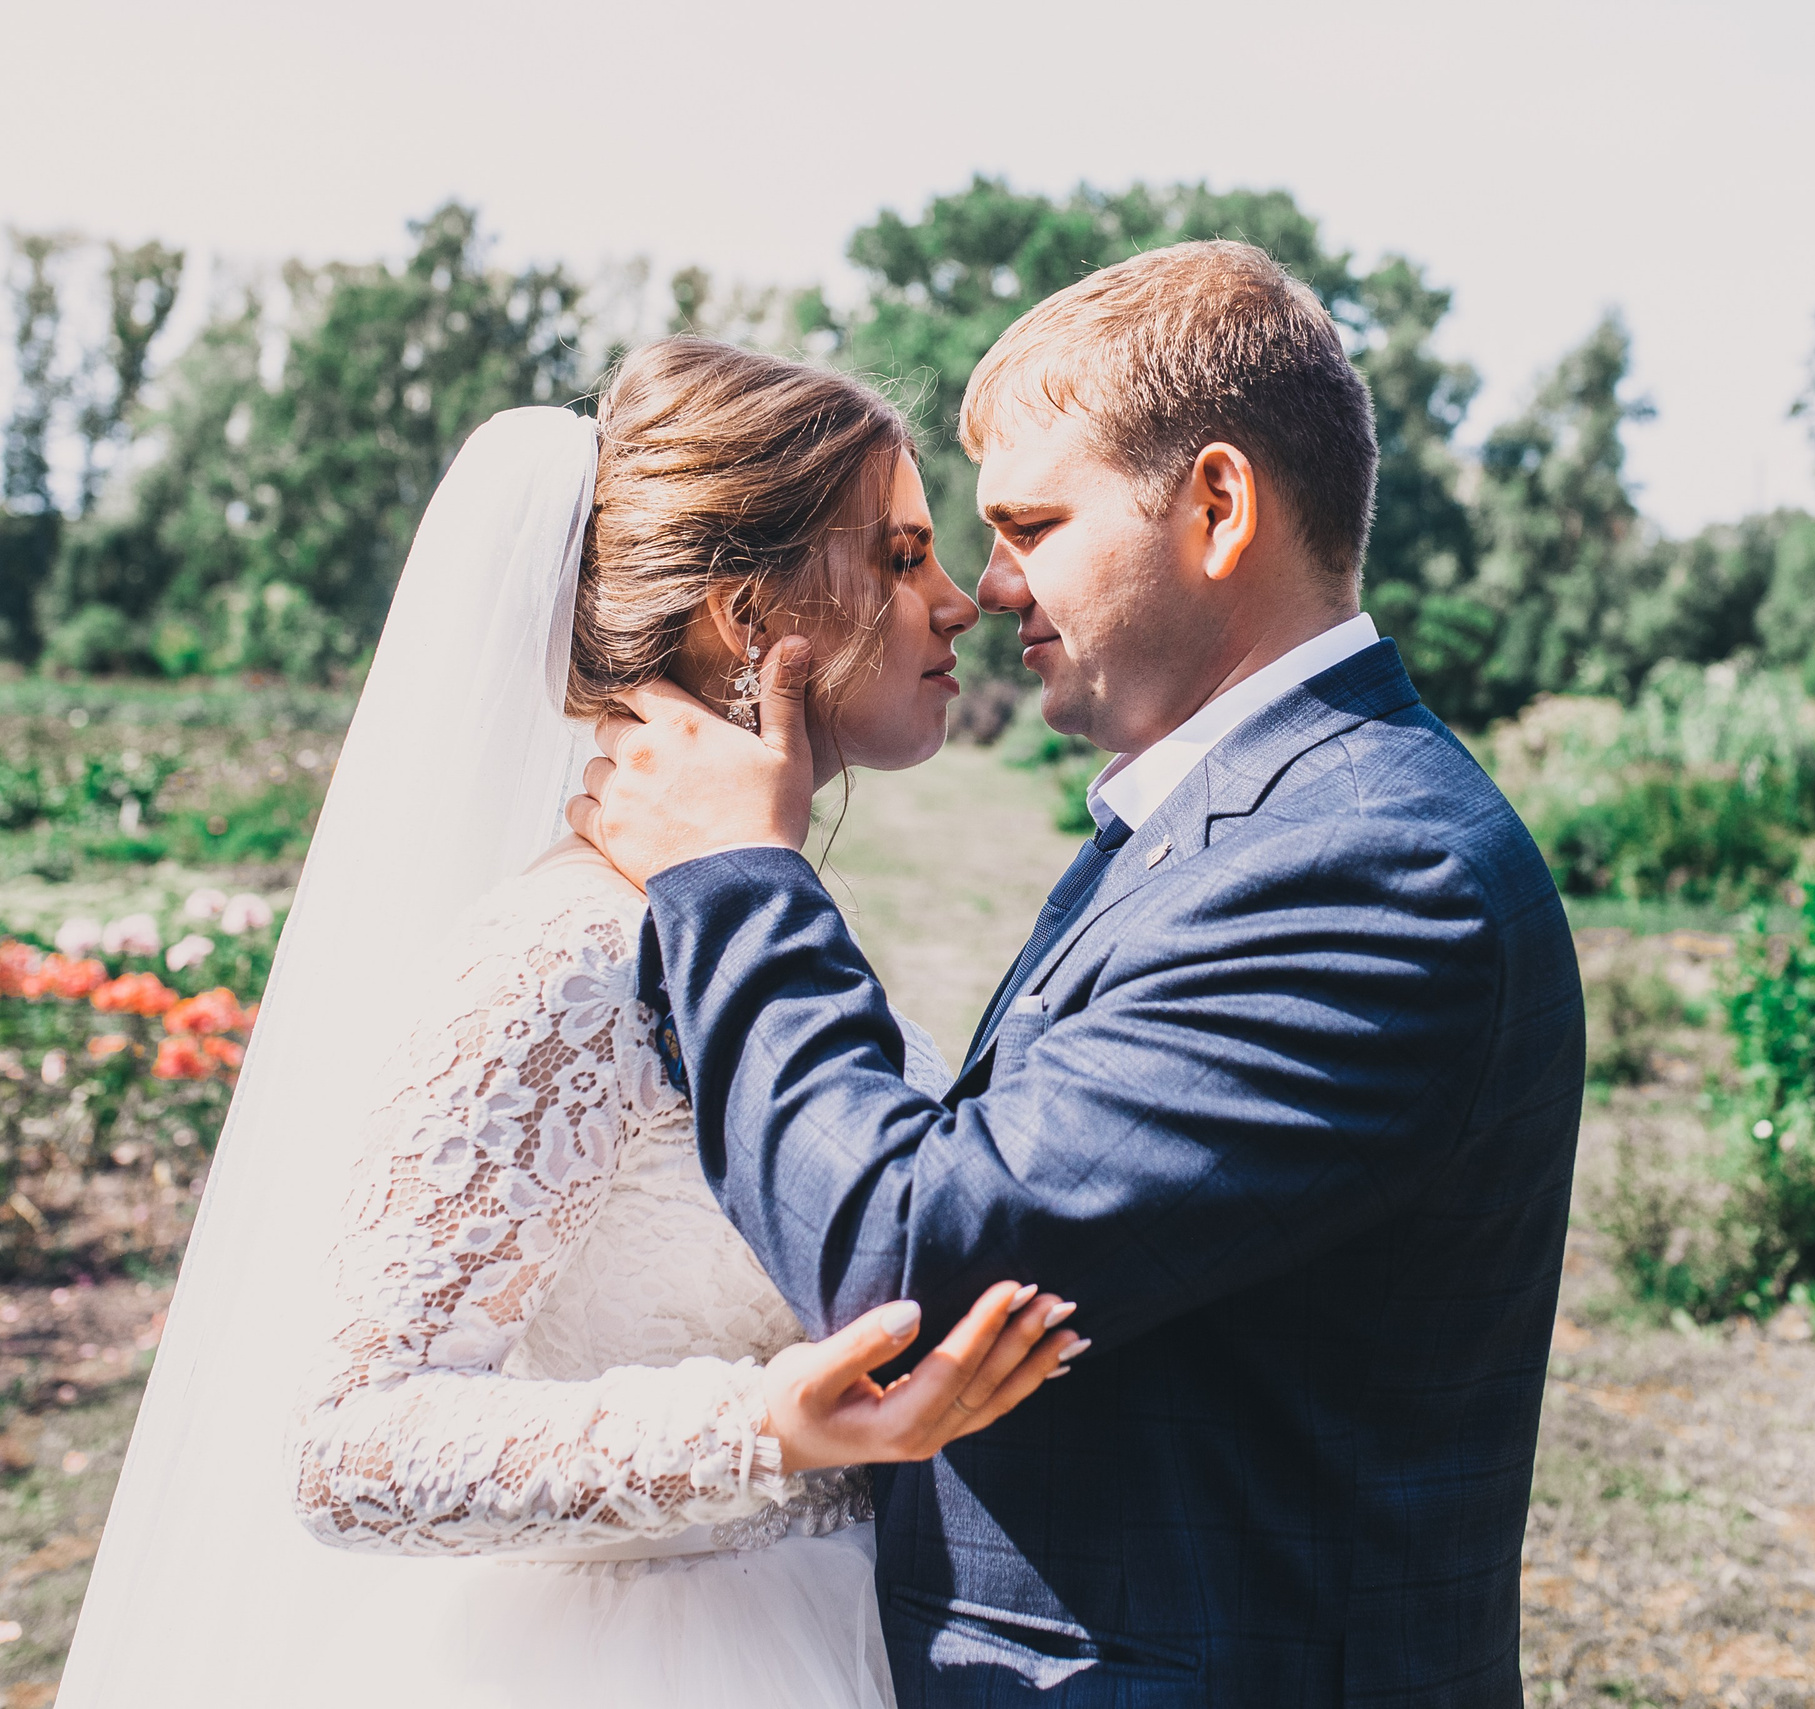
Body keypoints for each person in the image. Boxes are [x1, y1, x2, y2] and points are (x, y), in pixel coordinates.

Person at [571, 241, 1587, 1705]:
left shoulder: (1373, 867)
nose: (987, 589)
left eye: (1032, 524)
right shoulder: (1234, 819)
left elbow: (913, 1248)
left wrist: (735, 881)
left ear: (1219, 508)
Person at [62, 341, 1077, 1709]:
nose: (962, 601)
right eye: (901, 557)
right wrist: (761, 1425)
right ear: (743, 615)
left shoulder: (741, 913)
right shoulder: (568, 954)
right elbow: (351, 1447)